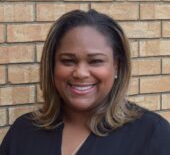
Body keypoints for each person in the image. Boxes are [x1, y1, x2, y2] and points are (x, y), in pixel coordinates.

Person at [0, 9, 170, 155]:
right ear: (52, 66)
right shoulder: (24, 131)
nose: (80, 73)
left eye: (95, 61)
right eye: (68, 61)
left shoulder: (152, 135)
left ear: (116, 66)